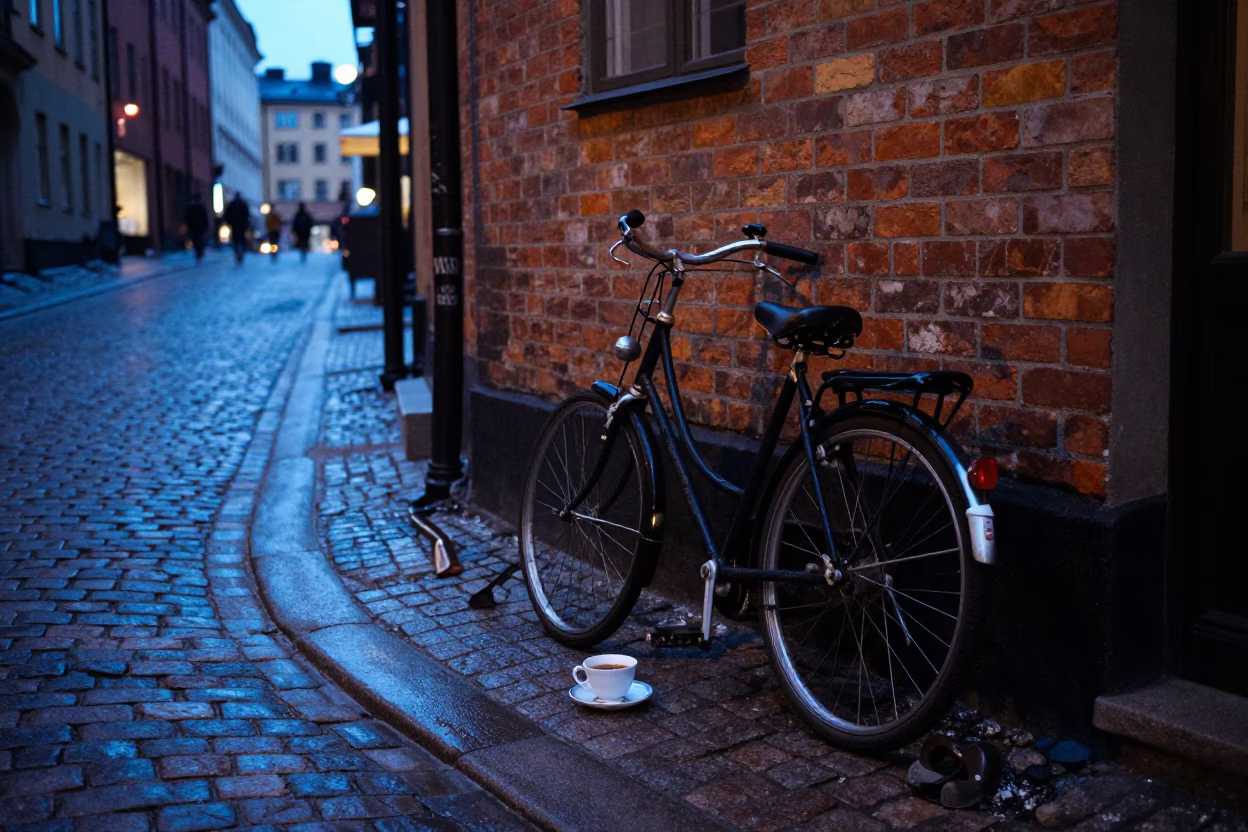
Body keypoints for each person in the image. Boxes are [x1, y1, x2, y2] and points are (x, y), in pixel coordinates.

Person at [224, 193, 250, 264]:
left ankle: (239, 255)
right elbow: (247, 215)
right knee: (238, 241)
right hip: (237, 226)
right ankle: (239, 255)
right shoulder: (241, 205)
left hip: (237, 226)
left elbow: (246, 215)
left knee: (238, 241)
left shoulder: (234, 205)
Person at [184, 193, 209, 261]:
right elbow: (205, 218)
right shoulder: (200, 207)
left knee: (196, 240)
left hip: (194, 228)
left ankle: (198, 252)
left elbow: (187, 218)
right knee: (199, 240)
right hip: (199, 228)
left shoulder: (192, 208)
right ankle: (199, 252)